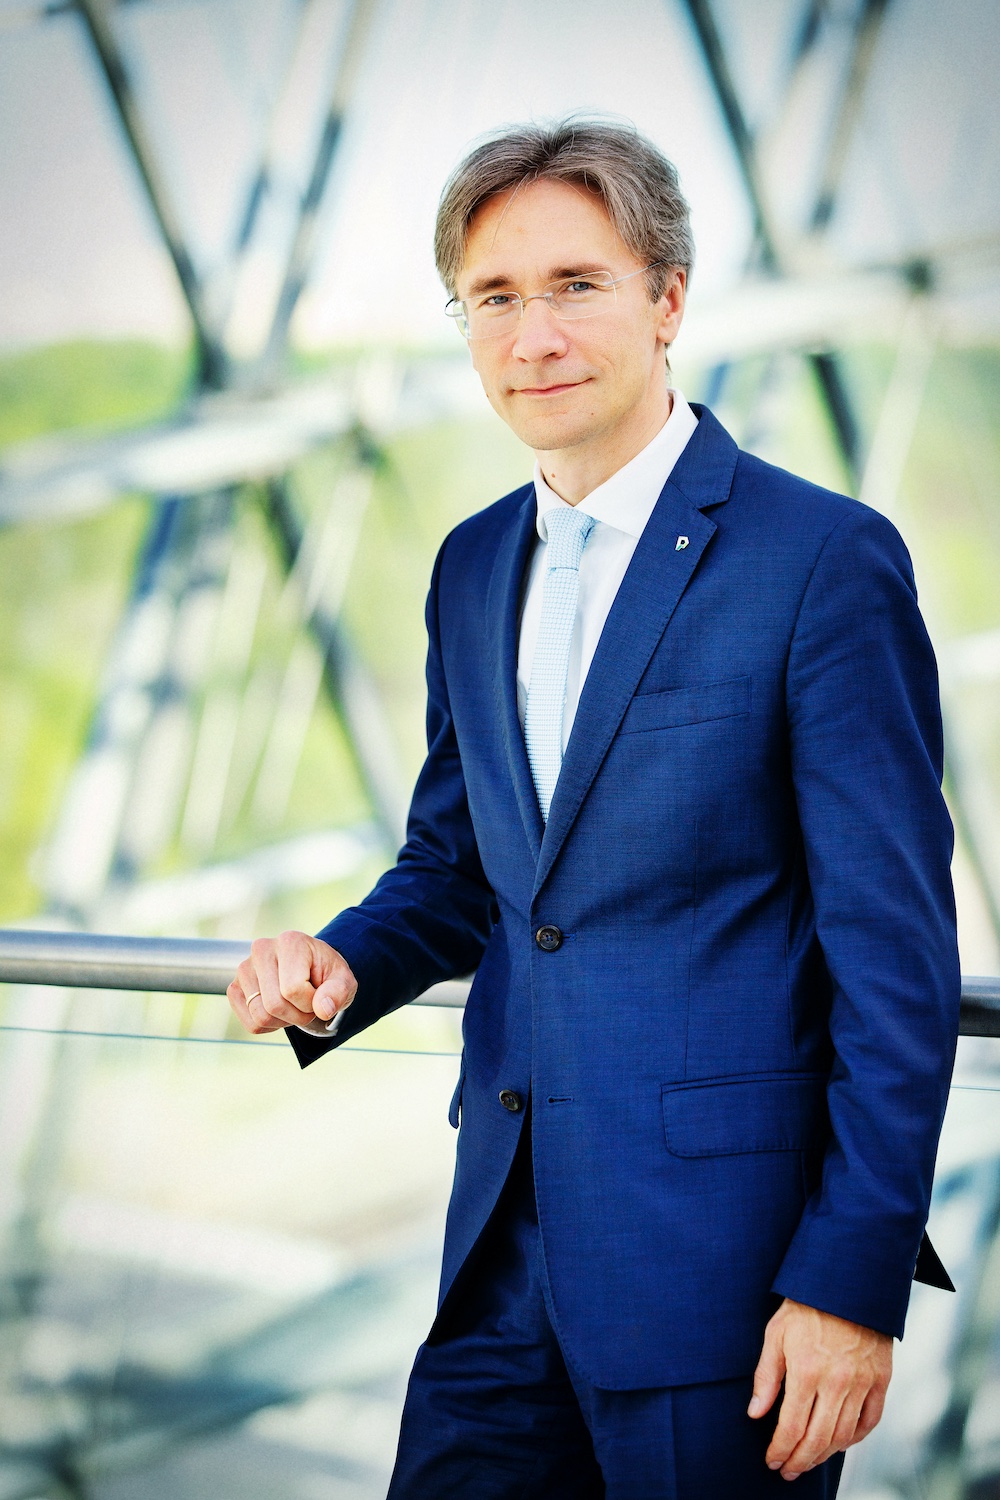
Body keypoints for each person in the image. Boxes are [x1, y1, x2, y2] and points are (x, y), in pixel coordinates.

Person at [227, 118, 960, 1497]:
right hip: (499, 1255)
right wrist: (340, 962)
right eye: (495, 298)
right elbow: (457, 868)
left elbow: (897, 960)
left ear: (668, 299)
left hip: (730, 1280)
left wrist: (852, 1280)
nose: (535, 335)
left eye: (577, 285)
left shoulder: (822, 561)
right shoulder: (470, 567)